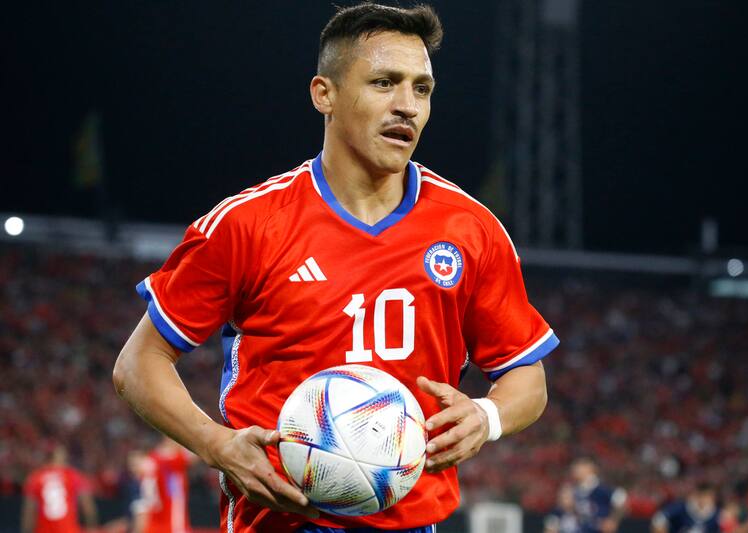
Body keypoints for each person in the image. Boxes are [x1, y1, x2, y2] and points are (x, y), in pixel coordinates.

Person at [113, 3, 558, 532]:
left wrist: (487, 417)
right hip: (277, 522)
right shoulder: (248, 225)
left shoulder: (471, 229)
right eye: (384, 83)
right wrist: (217, 444)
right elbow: (138, 364)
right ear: (324, 93)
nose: (407, 106)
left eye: (422, 89)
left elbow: (526, 376)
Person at [21, 444, 98, 533]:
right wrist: (92, 526)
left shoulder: (35, 478)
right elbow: (88, 507)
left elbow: (29, 513)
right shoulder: (73, 476)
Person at [133, 437, 196, 533]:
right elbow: (196, 452)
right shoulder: (173, 461)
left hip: (152, 524)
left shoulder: (151, 460)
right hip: (172, 524)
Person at [566, 458, 627, 533]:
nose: (576, 469)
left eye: (581, 465)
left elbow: (622, 501)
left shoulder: (602, 488)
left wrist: (613, 520)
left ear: (591, 468)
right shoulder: (575, 491)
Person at [651, 482, 722, 533]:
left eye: (708, 497)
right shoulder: (682, 507)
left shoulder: (718, 513)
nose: (704, 500)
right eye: (702, 496)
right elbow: (659, 518)